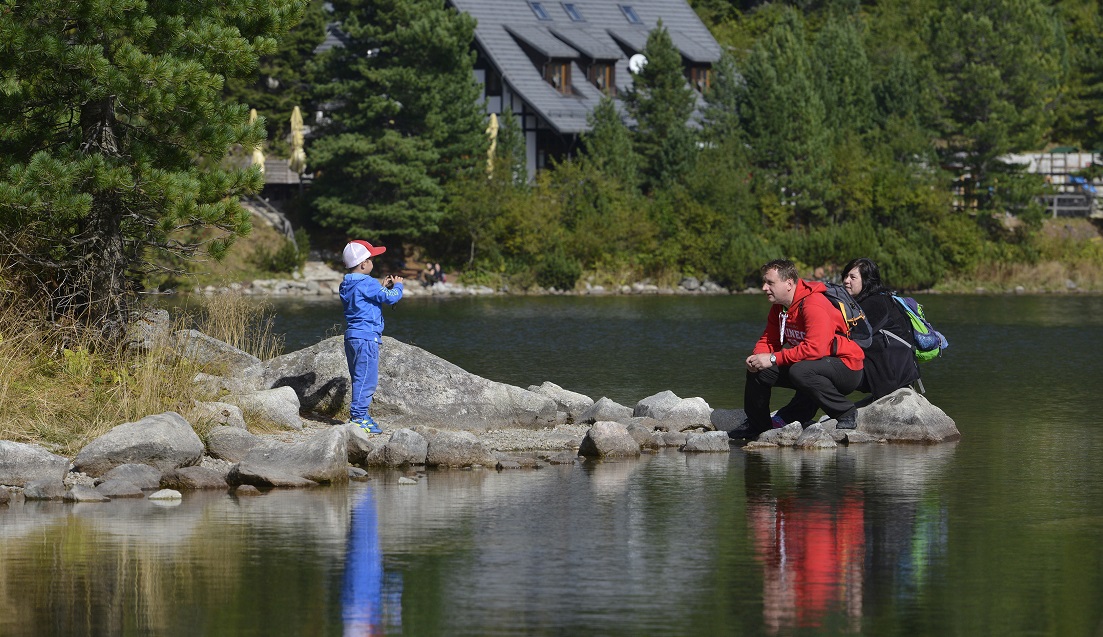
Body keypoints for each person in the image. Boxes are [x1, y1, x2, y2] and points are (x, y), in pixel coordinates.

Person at [733, 259, 865, 439]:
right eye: (764, 282)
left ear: (788, 284)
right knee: (760, 371)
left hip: (845, 367)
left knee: (800, 370)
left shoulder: (813, 303)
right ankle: (759, 427)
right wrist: (757, 357)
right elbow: (769, 340)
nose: (764, 287)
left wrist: (772, 358)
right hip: (813, 365)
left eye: (770, 283)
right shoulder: (779, 308)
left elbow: (815, 349)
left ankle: (845, 412)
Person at [341, 240, 404, 434]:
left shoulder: (346, 284)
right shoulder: (367, 283)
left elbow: (369, 296)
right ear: (363, 264)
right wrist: (398, 286)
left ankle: (361, 415)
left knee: (357, 376)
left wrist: (381, 286)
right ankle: (358, 417)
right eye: (371, 259)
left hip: (352, 337)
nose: (372, 262)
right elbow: (391, 297)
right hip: (367, 338)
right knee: (367, 379)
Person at [841, 257, 921, 403]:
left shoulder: (875, 303)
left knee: (820, 370)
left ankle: (796, 415)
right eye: (846, 276)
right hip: (894, 374)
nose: (846, 280)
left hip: (891, 377)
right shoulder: (877, 299)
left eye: (852, 277)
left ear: (867, 280)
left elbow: (851, 336)